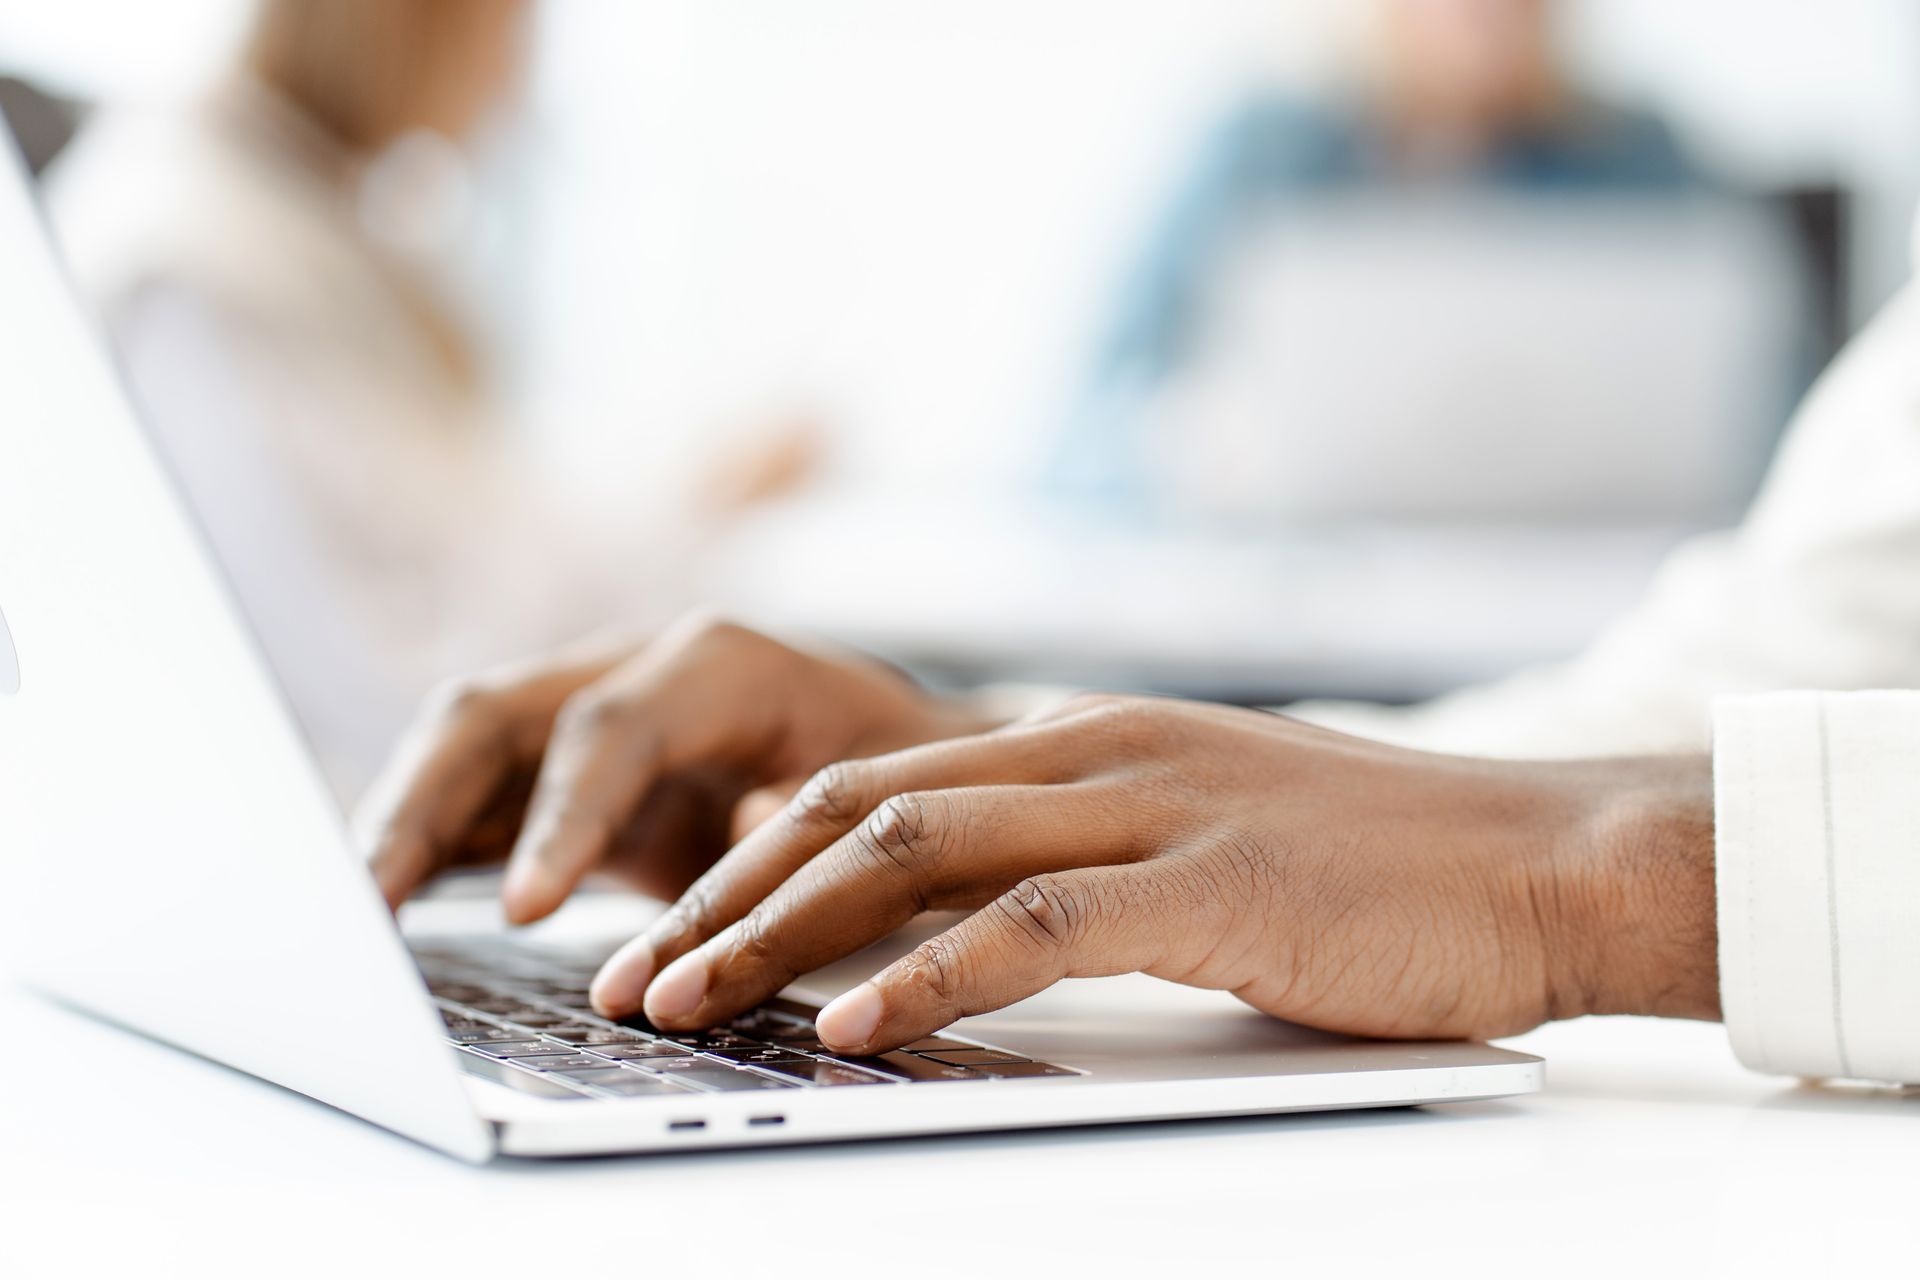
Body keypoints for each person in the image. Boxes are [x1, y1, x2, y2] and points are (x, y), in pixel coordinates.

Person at [40, 0, 685, 799]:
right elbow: (387, 692)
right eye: (512, 28)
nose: (515, 80)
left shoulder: (324, 215)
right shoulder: (188, 256)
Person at [1047, 0, 1702, 514]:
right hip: (1292, 594)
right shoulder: (1257, 153)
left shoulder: (1642, 163)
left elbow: (1744, 422)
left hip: (1579, 593)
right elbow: (1083, 423)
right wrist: (1186, 456)